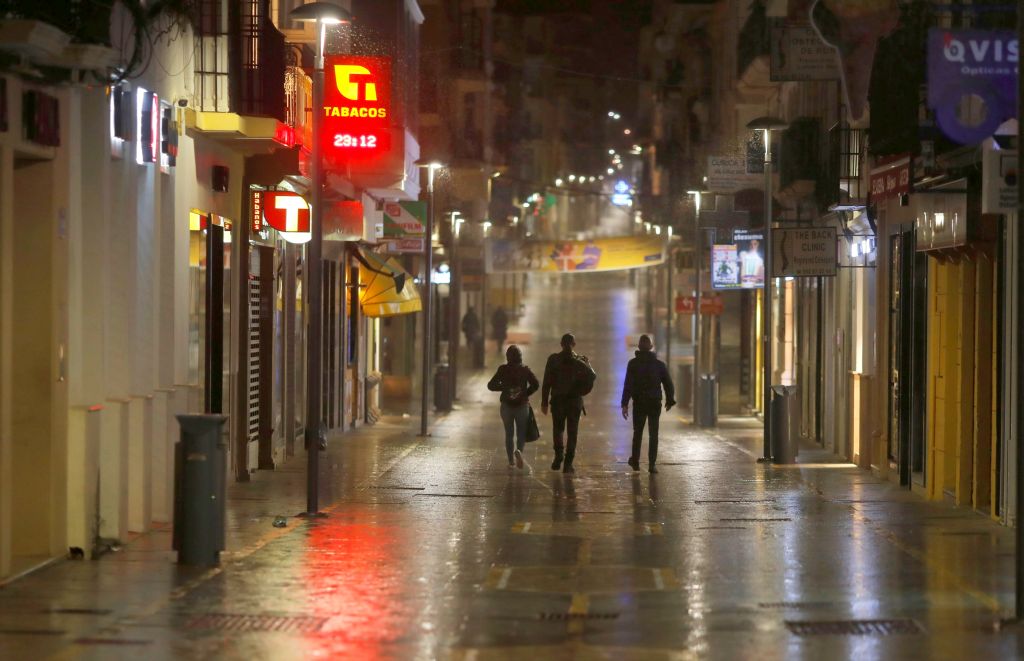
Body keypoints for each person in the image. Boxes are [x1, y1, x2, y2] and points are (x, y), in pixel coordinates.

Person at [541, 333, 597, 473]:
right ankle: (568, 463)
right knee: (572, 433)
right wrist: (587, 363)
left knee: (558, 429)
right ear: (574, 344)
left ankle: (558, 455)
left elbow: (547, 382)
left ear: (561, 344)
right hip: (574, 402)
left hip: (558, 400)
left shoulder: (553, 360)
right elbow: (592, 376)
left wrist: (544, 402)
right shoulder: (580, 360)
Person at [621, 334, 675, 473]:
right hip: (654, 403)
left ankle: (636, 461)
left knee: (637, 433)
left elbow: (628, 385)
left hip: (639, 403)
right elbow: (668, 384)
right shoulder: (659, 365)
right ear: (651, 347)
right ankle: (652, 464)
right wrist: (669, 400)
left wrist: (625, 404)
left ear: (638, 347)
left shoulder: (633, 364)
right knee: (653, 434)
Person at [487, 345, 540, 469]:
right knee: (521, 433)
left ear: (508, 357)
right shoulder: (525, 370)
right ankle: (519, 451)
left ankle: (511, 461)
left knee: (509, 434)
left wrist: (504, 388)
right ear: (520, 357)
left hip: (506, 407)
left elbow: (490, 385)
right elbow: (536, 384)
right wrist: (525, 393)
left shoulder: (502, 369)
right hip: (522, 406)